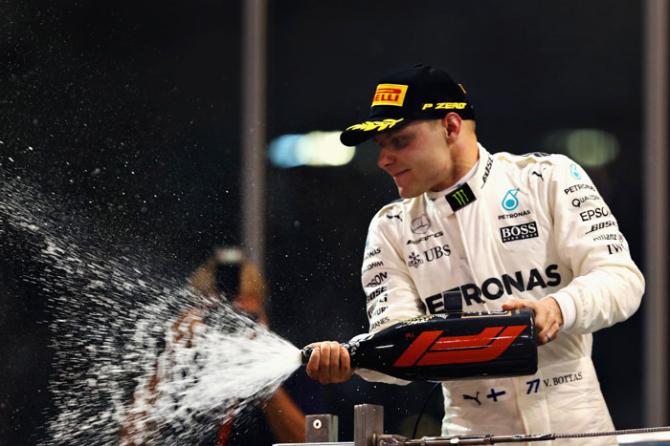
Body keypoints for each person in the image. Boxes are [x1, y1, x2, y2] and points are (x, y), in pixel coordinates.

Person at [305, 64, 644, 444]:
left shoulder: (548, 178)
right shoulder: (390, 227)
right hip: (469, 434)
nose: (384, 159)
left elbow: (622, 279)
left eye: (399, 141)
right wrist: (354, 360)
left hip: (577, 429)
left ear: (451, 127)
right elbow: (397, 342)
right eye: (380, 146)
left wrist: (558, 308)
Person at [122, 247, 305, 446]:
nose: (236, 328)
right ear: (196, 317)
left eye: (247, 318)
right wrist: (170, 361)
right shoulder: (172, 372)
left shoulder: (288, 364)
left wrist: (267, 383)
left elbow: (311, 442)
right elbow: (130, 440)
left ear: (263, 318)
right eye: (221, 317)